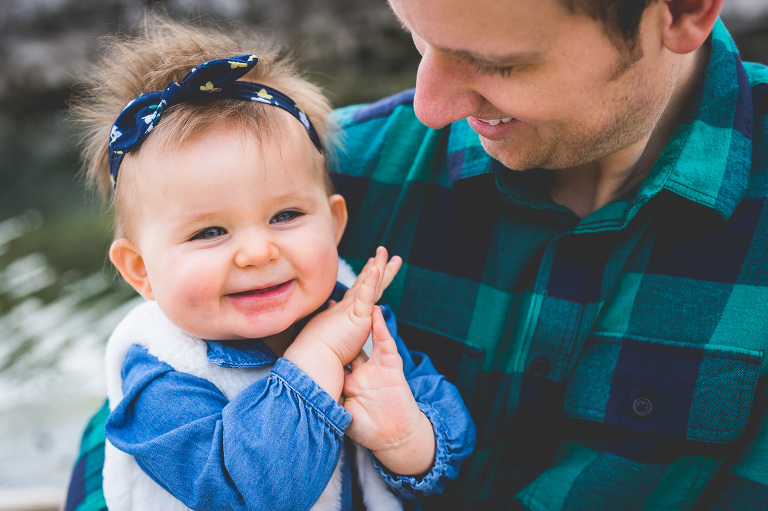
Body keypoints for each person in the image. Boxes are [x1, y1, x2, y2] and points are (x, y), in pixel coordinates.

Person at [66, 0, 768, 509]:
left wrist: (412, 437)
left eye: (496, 63)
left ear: (680, 11)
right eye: (419, 38)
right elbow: (119, 445)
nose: (430, 105)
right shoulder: (318, 169)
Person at [65, 16, 475, 511]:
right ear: (140, 271)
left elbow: (448, 436)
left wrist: (406, 438)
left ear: (334, 222)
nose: (259, 253)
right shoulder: (161, 377)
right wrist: (318, 357)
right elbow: (252, 495)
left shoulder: (354, 315)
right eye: (210, 232)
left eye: (285, 215)